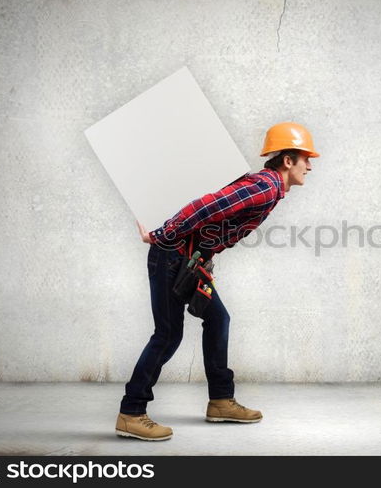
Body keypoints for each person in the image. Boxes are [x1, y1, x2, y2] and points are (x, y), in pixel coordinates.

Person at [115, 122, 319, 441]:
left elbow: (215, 223)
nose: (310, 165)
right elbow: (206, 207)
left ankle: (221, 401)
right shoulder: (265, 186)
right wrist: (162, 235)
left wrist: (204, 259)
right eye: (306, 158)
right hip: (171, 255)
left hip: (188, 261)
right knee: (168, 334)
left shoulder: (271, 190)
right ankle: (131, 412)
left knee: (218, 317)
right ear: (288, 160)